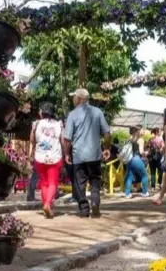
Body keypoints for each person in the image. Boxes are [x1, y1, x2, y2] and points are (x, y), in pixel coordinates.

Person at [63, 88, 111, 218]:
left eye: (74, 97)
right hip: (94, 154)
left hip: (78, 155)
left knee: (80, 183)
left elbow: (67, 138)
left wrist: (67, 154)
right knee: (95, 179)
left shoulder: (72, 115)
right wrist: (107, 149)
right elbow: (107, 133)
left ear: (79, 99)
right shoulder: (98, 112)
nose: (73, 99)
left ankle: (84, 209)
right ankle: (95, 202)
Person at [30, 102, 63, 218]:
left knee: (44, 182)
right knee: (53, 182)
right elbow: (62, 140)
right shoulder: (59, 124)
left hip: (40, 157)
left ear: (42, 112)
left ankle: (46, 205)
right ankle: (47, 204)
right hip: (55, 157)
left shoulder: (36, 123)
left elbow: (32, 140)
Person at [123, 126, 149, 199]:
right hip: (136, 159)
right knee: (144, 175)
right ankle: (144, 192)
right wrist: (145, 153)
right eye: (142, 130)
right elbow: (141, 151)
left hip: (130, 160)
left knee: (130, 176)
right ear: (138, 131)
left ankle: (127, 194)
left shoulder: (130, 139)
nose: (143, 131)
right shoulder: (140, 140)